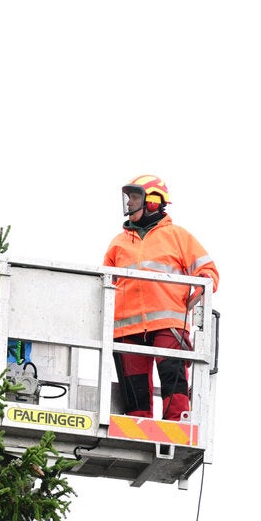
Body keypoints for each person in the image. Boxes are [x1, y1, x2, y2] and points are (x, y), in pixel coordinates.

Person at [103, 175, 219, 421]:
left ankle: (177, 423)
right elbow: (103, 285)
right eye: (129, 198)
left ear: (154, 201)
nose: (129, 203)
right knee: (134, 388)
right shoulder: (117, 244)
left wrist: (194, 297)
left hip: (169, 325)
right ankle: (138, 426)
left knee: (172, 375)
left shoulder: (179, 237)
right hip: (126, 327)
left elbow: (208, 272)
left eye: (135, 197)